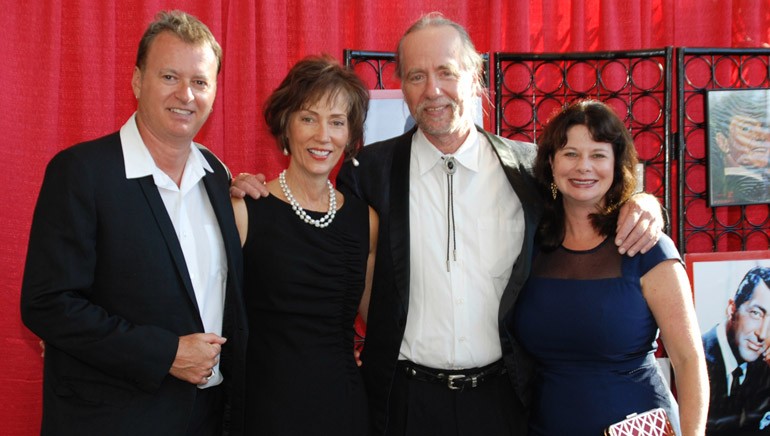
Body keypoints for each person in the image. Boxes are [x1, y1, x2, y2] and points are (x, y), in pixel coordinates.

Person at [231, 12, 665, 436]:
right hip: (403, 402)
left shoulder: (528, 170)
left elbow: (592, 193)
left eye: (446, 71)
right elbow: (312, 227)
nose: (432, 89)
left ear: (475, 76)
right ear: (401, 87)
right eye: (416, 76)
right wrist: (247, 190)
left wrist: (643, 202)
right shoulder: (370, 172)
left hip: (504, 401)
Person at [20, 10, 247, 436]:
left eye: (200, 81)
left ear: (214, 92)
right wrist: (166, 353)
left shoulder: (218, 177)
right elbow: (47, 304)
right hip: (110, 420)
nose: (186, 94)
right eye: (169, 77)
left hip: (207, 419)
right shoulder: (82, 172)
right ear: (138, 81)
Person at [513, 100, 708, 436]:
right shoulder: (531, 246)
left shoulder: (648, 247)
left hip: (639, 428)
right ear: (551, 162)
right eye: (570, 153)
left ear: (617, 164)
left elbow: (689, 362)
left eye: (598, 154)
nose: (583, 166)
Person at [231, 55, 377, 435]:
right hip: (265, 410)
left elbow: (382, 320)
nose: (322, 136)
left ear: (351, 134)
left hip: (343, 408)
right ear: (285, 125)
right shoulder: (245, 210)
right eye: (308, 118)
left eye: (337, 122)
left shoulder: (365, 221)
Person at [702, 266, 770, 435]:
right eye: (756, 313)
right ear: (732, 309)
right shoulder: (696, 356)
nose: (762, 334)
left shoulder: (764, 368)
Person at [708, 90, 770, 206]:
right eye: (746, 129)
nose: (761, 136)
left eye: (764, 127)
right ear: (723, 142)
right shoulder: (737, 191)